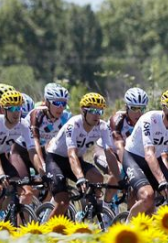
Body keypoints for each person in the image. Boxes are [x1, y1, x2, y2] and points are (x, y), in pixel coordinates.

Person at [43, 92, 122, 221]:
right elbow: (72, 154)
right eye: (93, 111)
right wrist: (80, 178)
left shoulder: (102, 126)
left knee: (97, 178)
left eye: (100, 111)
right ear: (83, 111)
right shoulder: (73, 124)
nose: (96, 115)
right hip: (56, 160)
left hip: (76, 160)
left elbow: (109, 154)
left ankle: (87, 212)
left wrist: (120, 179)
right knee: (63, 202)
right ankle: (47, 230)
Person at [123, 89, 168, 216]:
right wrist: (161, 180)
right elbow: (149, 153)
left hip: (155, 160)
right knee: (148, 196)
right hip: (134, 158)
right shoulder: (149, 119)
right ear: (165, 110)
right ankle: (127, 224)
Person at [0, 90, 40, 203]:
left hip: (1, 157)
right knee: (0, 188)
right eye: (12, 108)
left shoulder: (23, 125)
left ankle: (14, 213)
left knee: (23, 191)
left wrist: (42, 172)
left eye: (18, 108)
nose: (16, 112)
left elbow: (32, 151)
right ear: (3, 109)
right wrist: (1, 174)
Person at [27, 83, 71, 173]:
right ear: (47, 102)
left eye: (63, 103)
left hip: (42, 149)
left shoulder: (66, 117)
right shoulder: (37, 114)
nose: (60, 107)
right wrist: (43, 164)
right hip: (24, 150)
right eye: (56, 103)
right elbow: (35, 141)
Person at [111, 87, 148, 157]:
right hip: (109, 152)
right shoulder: (118, 120)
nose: (139, 113)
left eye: (142, 108)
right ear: (126, 107)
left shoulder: (146, 121)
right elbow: (119, 147)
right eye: (134, 108)